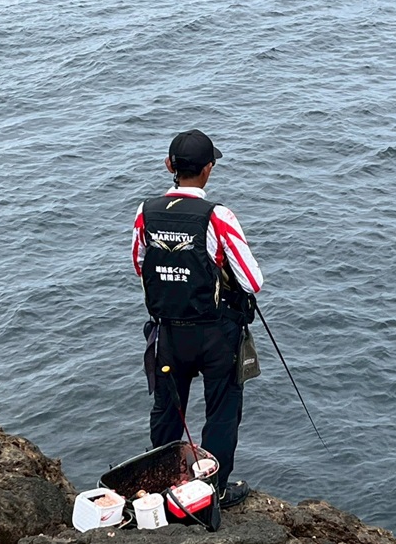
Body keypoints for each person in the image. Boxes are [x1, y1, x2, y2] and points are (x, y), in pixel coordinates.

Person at [131, 129, 263, 509]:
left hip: (168, 334)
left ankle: (161, 488)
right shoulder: (218, 216)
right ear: (208, 169)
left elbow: (140, 265)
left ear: (169, 166)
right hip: (214, 335)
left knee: (167, 411)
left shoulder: (145, 212)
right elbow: (252, 280)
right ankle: (213, 491)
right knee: (221, 412)